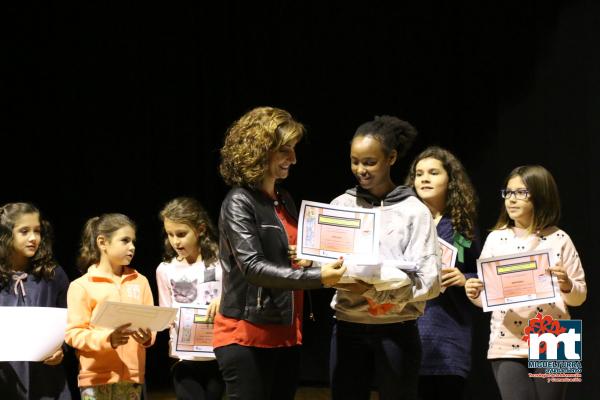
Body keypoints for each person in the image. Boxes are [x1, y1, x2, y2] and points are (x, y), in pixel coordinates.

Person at [214, 106, 346, 400]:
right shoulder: (238, 201)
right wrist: (319, 277)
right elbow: (253, 268)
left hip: (286, 333)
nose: (294, 159)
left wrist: (308, 257)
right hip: (246, 335)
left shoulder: (284, 199)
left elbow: (290, 255)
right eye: (285, 150)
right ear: (261, 150)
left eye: (294, 150)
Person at [328, 116, 440, 400]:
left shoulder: (414, 211)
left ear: (391, 158)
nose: (360, 170)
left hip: (396, 330)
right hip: (347, 327)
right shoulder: (340, 206)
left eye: (369, 162)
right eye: (355, 161)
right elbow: (324, 265)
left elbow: (430, 281)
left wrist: (380, 291)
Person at [465, 165, 586, 400]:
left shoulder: (560, 238)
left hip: (556, 334)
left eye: (521, 193)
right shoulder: (496, 238)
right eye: (508, 193)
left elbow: (579, 297)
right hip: (507, 336)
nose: (512, 199)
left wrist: (566, 285)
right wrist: (474, 292)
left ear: (541, 195)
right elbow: (485, 297)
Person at [405, 147, 481, 400]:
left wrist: (465, 279)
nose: (424, 179)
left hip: (449, 332)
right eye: (419, 174)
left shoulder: (462, 226)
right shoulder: (404, 222)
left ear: (450, 181)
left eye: (433, 173)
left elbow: (480, 273)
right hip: (406, 331)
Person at [65, 213, 155, 400]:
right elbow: (74, 334)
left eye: (133, 241)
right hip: (96, 378)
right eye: (125, 241)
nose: (132, 247)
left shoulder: (140, 281)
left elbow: (151, 323)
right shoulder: (81, 286)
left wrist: (147, 337)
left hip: (132, 376)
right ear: (102, 242)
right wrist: (109, 339)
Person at [0, 202, 71, 399]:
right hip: (5, 377)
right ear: (6, 234)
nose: (33, 238)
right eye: (24, 231)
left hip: (46, 378)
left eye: (37, 231)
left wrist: (61, 349)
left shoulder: (52, 275)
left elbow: (70, 321)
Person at [156, 197, 225, 400]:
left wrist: (224, 300)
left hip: (217, 353)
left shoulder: (221, 262)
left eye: (181, 234)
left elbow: (237, 297)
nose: (175, 241)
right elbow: (165, 312)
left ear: (201, 229)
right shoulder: (165, 269)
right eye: (170, 234)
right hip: (184, 357)